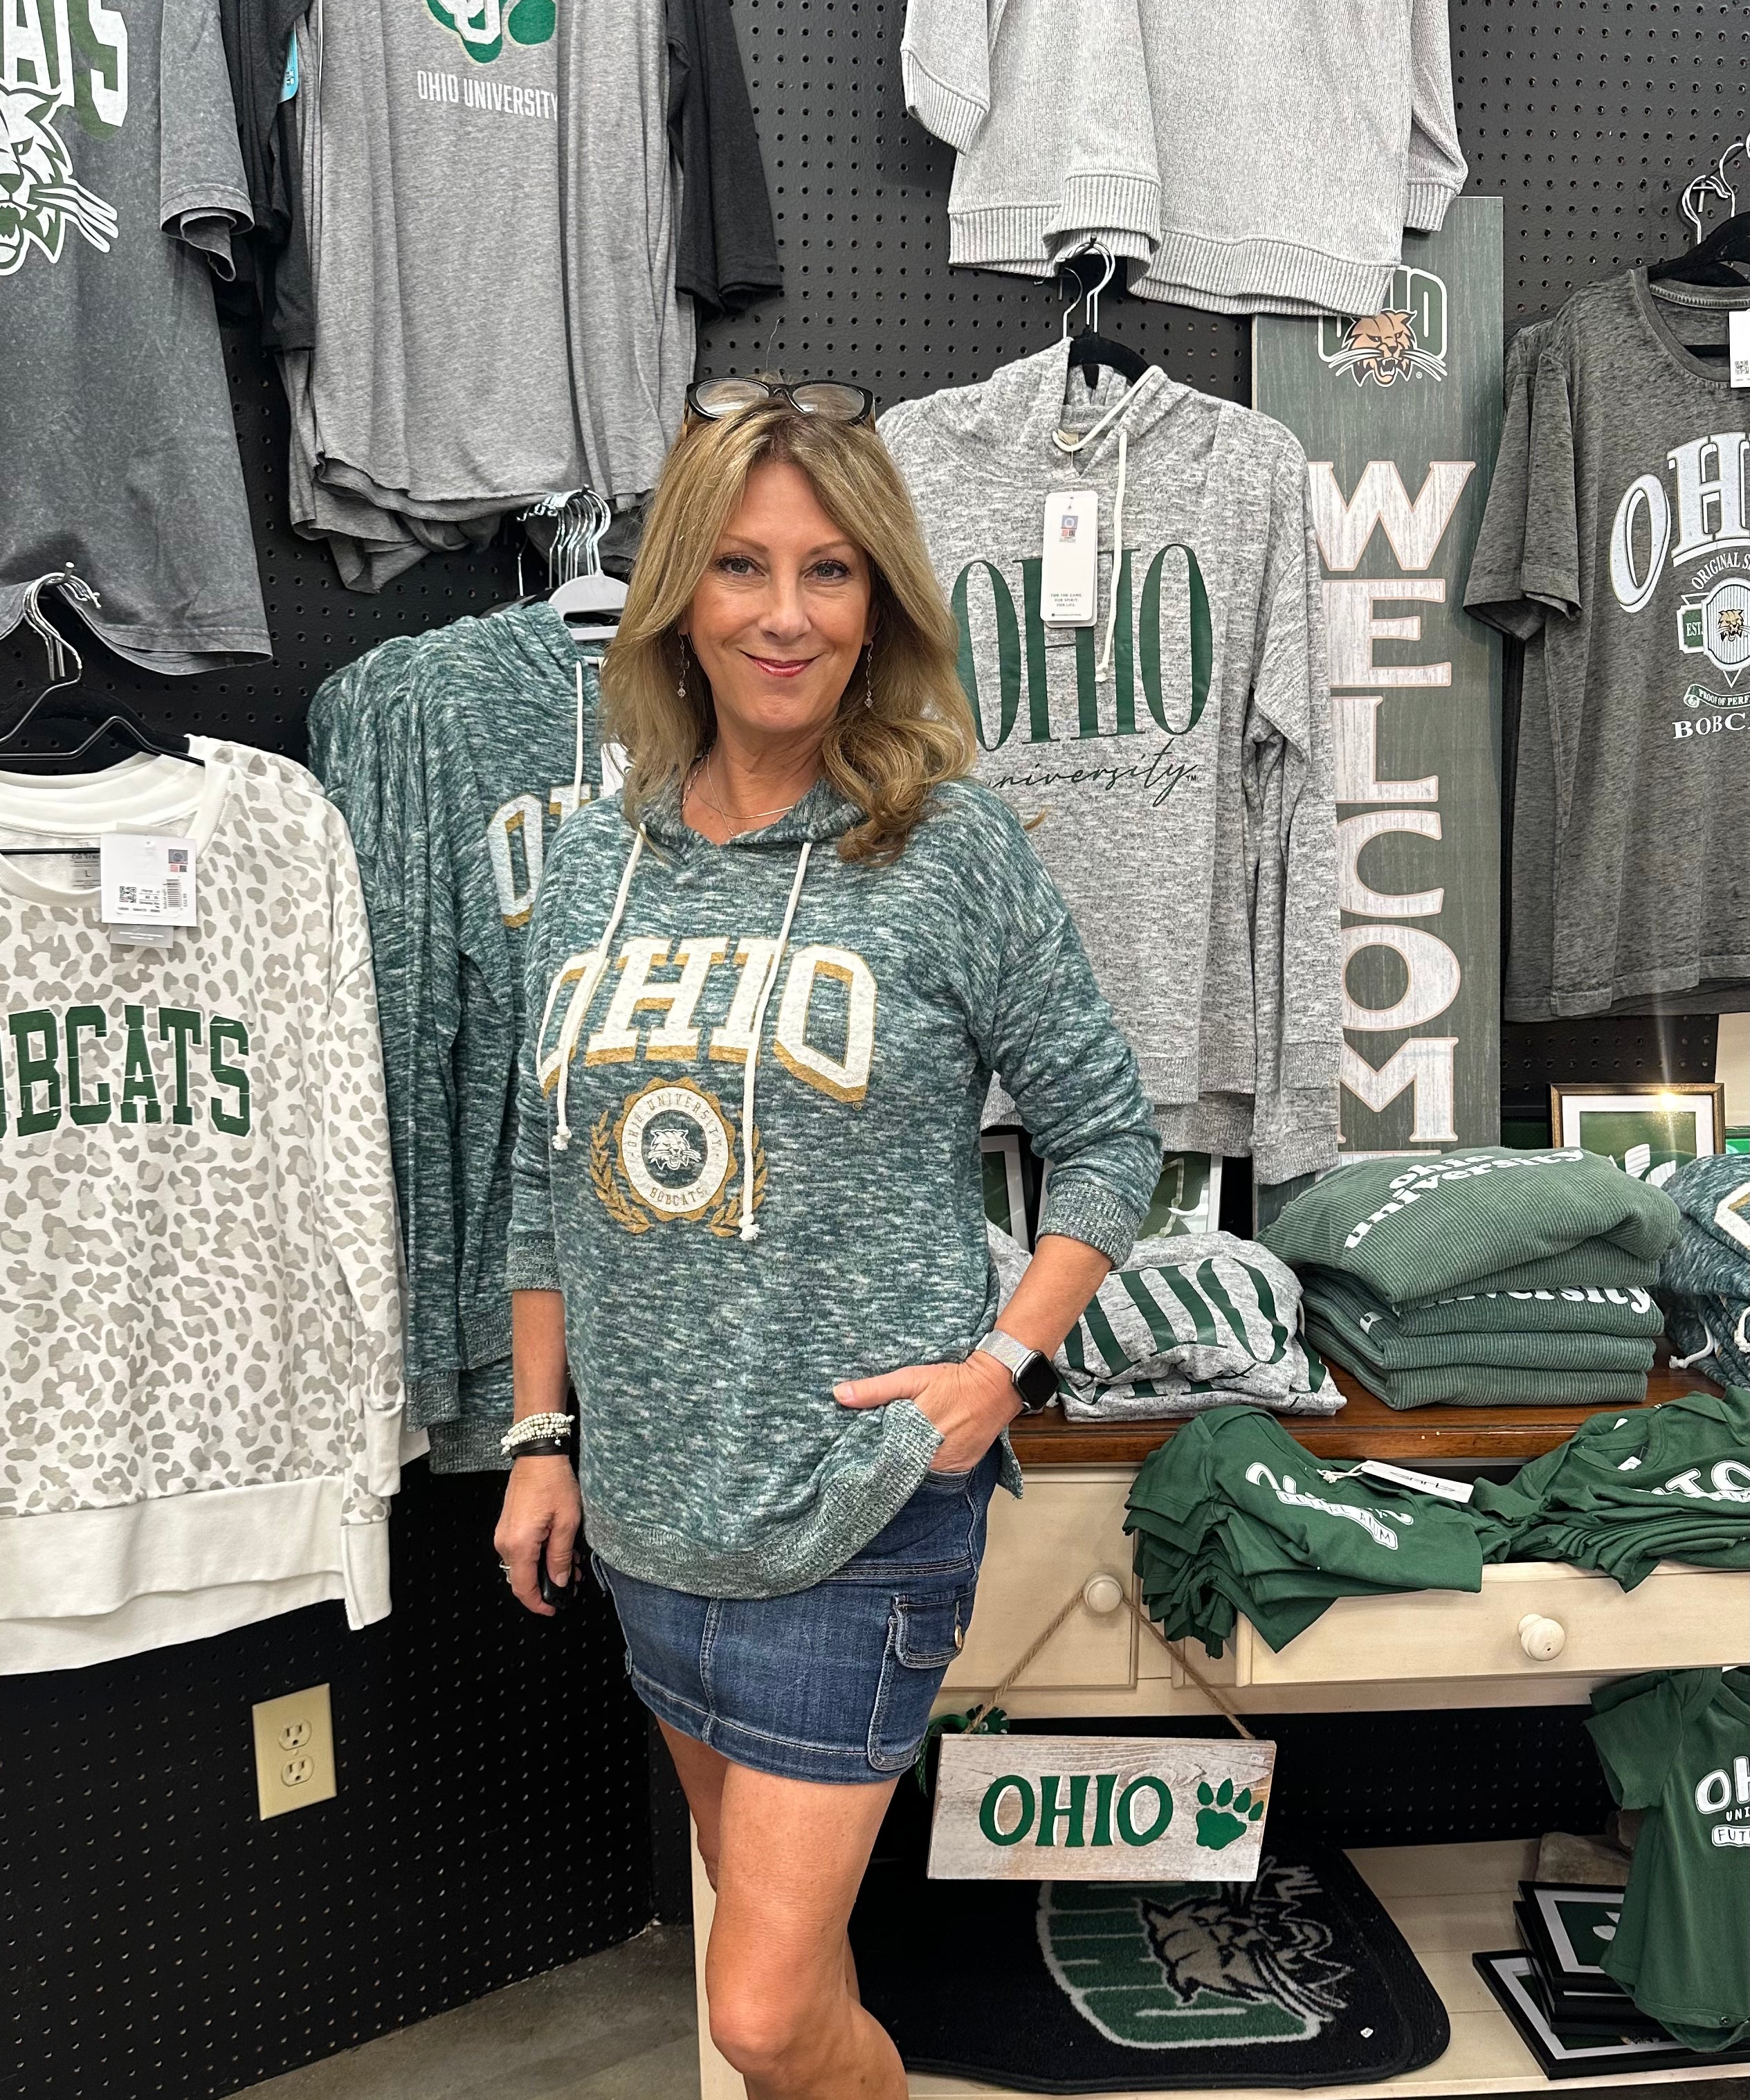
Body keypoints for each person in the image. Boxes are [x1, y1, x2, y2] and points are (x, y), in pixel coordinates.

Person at [495, 376, 1160, 2100]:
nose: (783, 613)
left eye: (829, 571)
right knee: (793, 1961)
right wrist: (540, 1435)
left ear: (880, 605)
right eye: (737, 566)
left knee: (763, 2013)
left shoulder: (945, 852)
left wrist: (1000, 1370)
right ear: (675, 605)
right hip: (652, 1510)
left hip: (856, 1504)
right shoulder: (589, 863)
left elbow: (1107, 1136)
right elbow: (546, 1167)